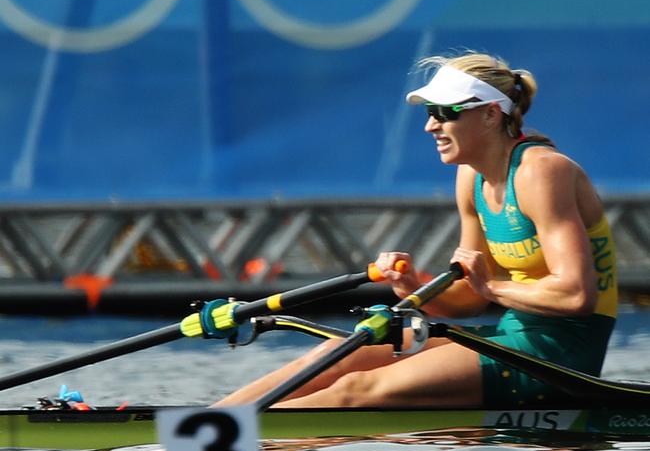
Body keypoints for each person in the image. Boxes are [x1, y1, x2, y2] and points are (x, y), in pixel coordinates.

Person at [215, 51, 617, 409]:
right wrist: (412, 285)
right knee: (338, 353)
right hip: (512, 335)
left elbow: (576, 295)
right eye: (429, 113)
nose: (430, 127)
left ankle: (216, 445)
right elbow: (468, 301)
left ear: (491, 114)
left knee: (356, 389)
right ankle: (202, 425)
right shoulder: (470, 178)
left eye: (444, 113)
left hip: (562, 356)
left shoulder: (542, 171)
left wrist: (491, 289)